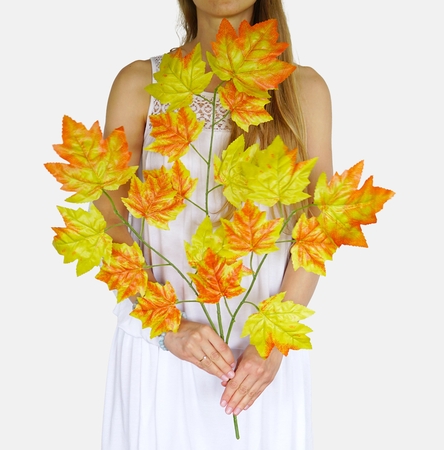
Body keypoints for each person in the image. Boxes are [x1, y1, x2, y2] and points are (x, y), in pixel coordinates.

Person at [95, 1, 332, 448]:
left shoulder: (302, 89)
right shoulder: (141, 84)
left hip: (260, 366)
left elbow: (319, 226)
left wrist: (272, 343)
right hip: (160, 348)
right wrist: (169, 329)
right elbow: (110, 218)